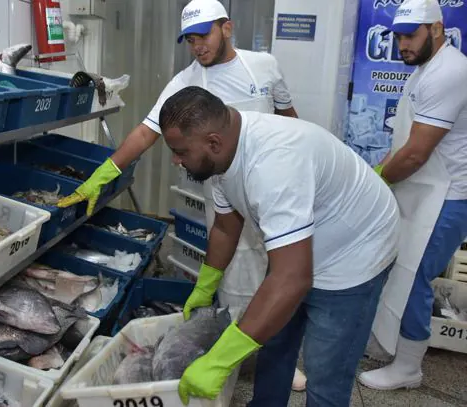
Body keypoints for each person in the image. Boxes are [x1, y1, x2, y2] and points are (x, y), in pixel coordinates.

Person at [57, 0, 307, 389]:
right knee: (237, 275)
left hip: (273, 187)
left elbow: (289, 118)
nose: (197, 46)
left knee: (283, 271)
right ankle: (237, 357)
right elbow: (145, 132)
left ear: (227, 28)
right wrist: (105, 173)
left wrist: (302, 160)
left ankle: (281, 361)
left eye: (203, 35)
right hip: (224, 192)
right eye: (189, 39)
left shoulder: (264, 65)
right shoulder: (185, 82)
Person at [156, 86, 399, 406]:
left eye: (180, 152)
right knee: (272, 341)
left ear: (213, 142)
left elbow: (292, 279)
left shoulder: (273, 165)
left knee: (326, 370)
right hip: (301, 247)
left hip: (356, 251)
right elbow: (227, 227)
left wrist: (219, 360)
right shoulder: (223, 153)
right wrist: (206, 283)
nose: (176, 160)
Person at [359, 0, 467, 390]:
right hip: (422, 189)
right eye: (399, 36)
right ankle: (393, 346)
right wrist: (376, 177)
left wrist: (377, 181)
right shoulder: (424, 70)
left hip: (447, 195)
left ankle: (408, 368)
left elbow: (418, 153)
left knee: (415, 277)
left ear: (436, 29)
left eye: (410, 35)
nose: (402, 44)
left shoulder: (448, 72)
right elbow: (405, 142)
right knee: (400, 270)